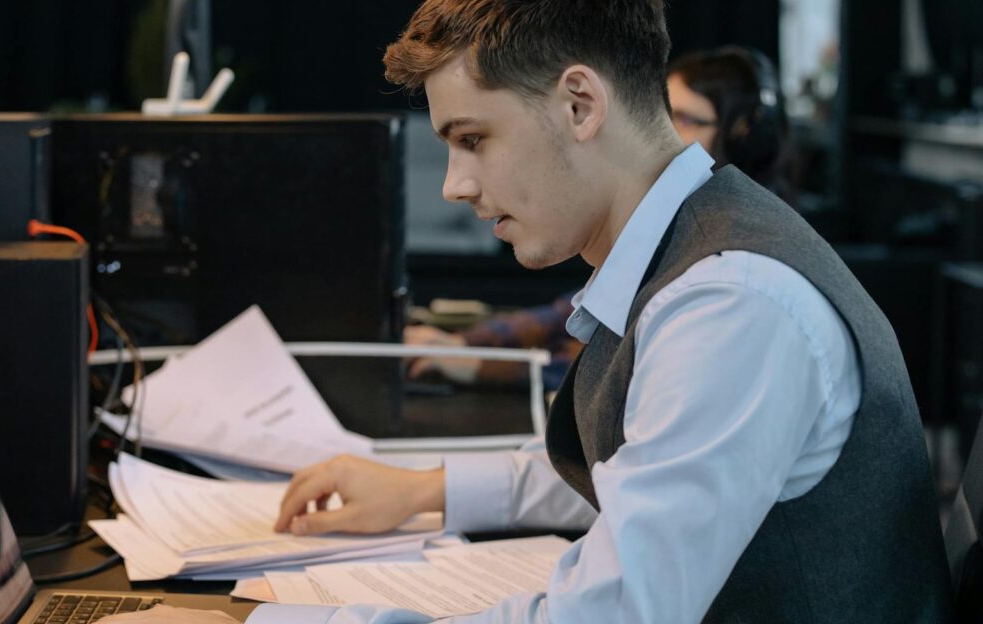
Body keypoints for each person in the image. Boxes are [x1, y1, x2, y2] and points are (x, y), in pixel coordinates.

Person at [110, 0, 951, 621]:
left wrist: (270, 621)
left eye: (473, 139)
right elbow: (637, 467)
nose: (456, 184)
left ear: (580, 104)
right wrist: (425, 491)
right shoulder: (689, 249)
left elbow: (612, 615)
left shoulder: (727, 302)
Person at [407, 46, 794, 389]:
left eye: (682, 118)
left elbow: (613, 369)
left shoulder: (725, 287)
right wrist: (466, 343)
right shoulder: (678, 241)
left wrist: (474, 364)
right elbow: (569, 316)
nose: (453, 188)